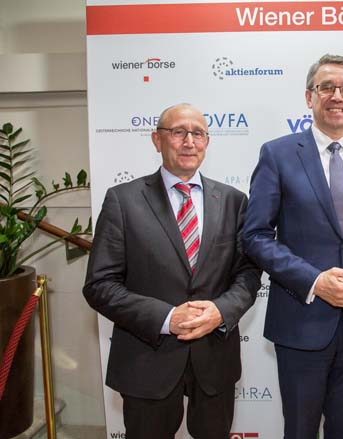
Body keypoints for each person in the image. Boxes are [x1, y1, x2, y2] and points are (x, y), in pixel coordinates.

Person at [243, 54, 343, 439]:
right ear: (309, 96)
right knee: (300, 431)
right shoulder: (277, 154)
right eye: (326, 87)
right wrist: (315, 281)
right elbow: (255, 235)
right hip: (301, 323)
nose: (337, 95)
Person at [83, 103, 261, 439]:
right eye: (179, 132)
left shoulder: (234, 200)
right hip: (147, 359)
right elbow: (100, 285)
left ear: (207, 142)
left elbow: (249, 273)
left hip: (214, 359)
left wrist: (221, 311)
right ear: (157, 140)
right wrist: (167, 318)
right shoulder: (123, 200)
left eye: (198, 134)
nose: (189, 142)